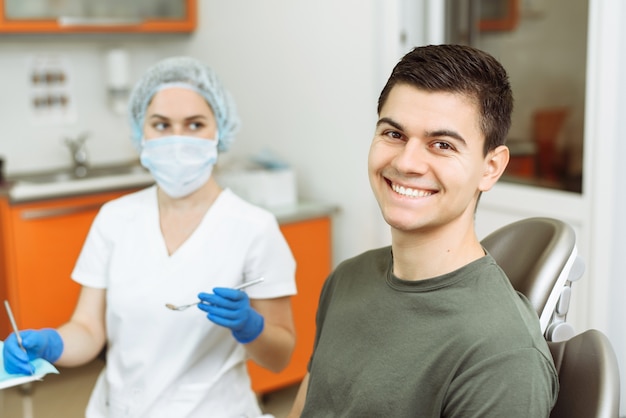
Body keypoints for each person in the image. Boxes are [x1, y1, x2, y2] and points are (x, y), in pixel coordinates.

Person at [3, 56, 297, 418]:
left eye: (194, 124)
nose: (177, 139)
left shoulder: (255, 227)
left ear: (219, 131)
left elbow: (280, 356)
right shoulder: (114, 218)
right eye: (161, 124)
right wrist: (53, 344)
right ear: (140, 133)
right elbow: (88, 329)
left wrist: (250, 327)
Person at [288, 44, 559, 417]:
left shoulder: (502, 355)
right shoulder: (346, 279)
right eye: (394, 134)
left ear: (490, 168)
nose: (407, 162)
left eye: (442, 144)